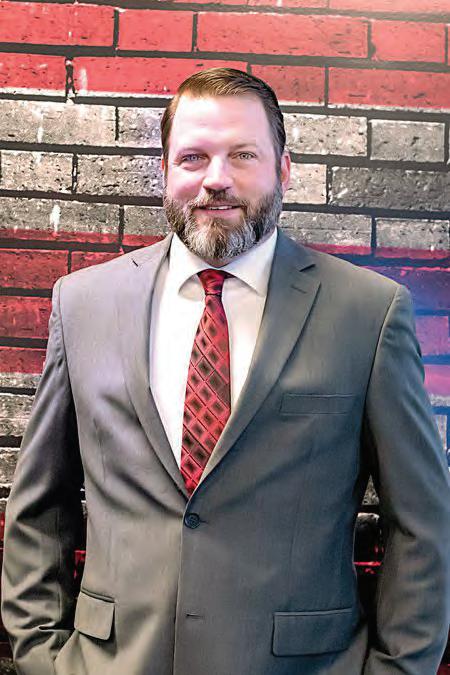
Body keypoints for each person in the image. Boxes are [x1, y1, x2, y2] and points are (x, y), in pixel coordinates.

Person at [2, 67, 450, 675]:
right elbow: (40, 506)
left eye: (243, 154)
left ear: (283, 169)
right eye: (193, 157)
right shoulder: (84, 304)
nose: (217, 178)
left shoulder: (368, 313)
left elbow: (421, 524)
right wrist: (42, 655)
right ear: (164, 170)